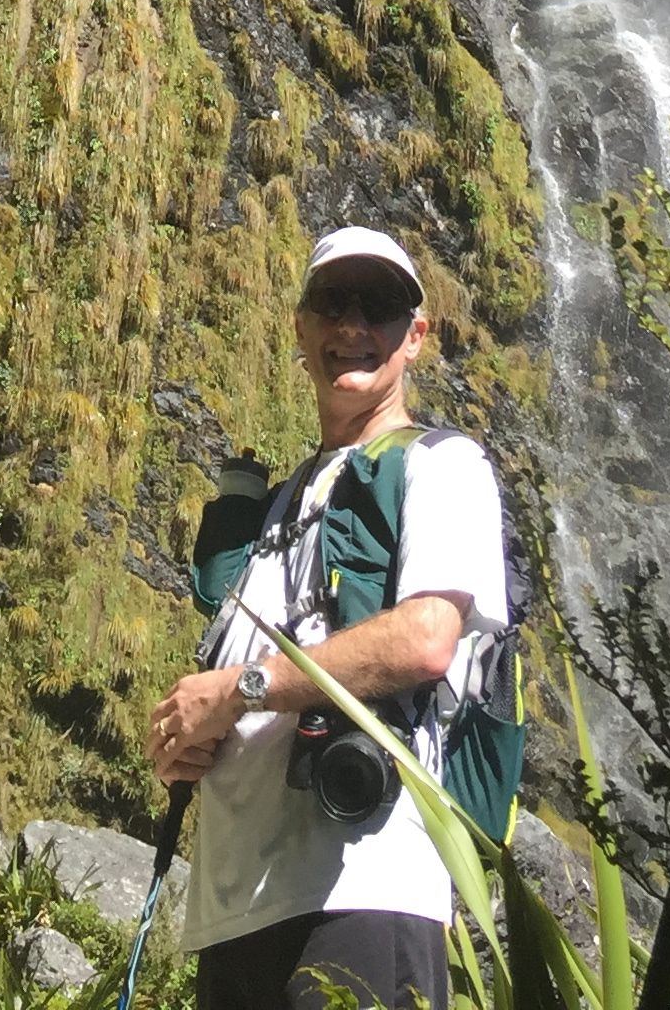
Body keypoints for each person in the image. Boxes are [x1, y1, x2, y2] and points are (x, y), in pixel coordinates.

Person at [150, 225, 510, 1010]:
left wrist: (237, 690)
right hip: (230, 909)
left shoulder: (442, 465)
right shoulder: (276, 505)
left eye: (379, 306)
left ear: (415, 335)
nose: (353, 327)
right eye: (332, 303)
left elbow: (424, 640)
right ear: (301, 327)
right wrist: (188, 739)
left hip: (365, 888)